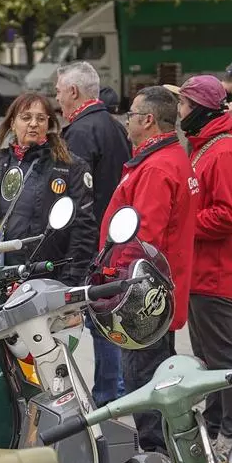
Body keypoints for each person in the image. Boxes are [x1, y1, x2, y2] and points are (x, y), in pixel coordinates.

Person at [99, 86, 198, 452]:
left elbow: (143, 240)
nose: (127, 123)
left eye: (131, 116)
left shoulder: (156, 167)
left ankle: (157, 455)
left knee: (143, 376)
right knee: (156, 371)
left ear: (148, 120)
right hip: (158, 294)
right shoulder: (167, 158)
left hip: (143, 300)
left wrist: (116, 285)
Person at [169, 76, 232, 451]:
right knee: (208, 355)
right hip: (200, 270)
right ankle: (217, 422)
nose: (180, 112)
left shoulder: (224, 151)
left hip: (216, 272)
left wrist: (184, 223)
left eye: (185, 105)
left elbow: (231, 216)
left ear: (201, 108)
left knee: (225, 355)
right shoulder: (206, 145)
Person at [55, 61, 130, 405]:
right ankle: (113, 388)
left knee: (92, 319)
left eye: (58, 91)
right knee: (106, 317)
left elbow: (72, 194)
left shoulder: (81, 133)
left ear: (72, 91)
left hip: (89, 241)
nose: (57, 99)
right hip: (111, 235)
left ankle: (106, 393)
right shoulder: (113, 126)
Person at [0, 92, 99, 287]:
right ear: (12, 123)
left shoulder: (71, 166)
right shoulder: (1, 162)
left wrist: (70, 280)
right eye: (26, 117)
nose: (33, 124)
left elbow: (83, 230)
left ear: (48, 125)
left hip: (47, 274)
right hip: (2, 273)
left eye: (41, 118)